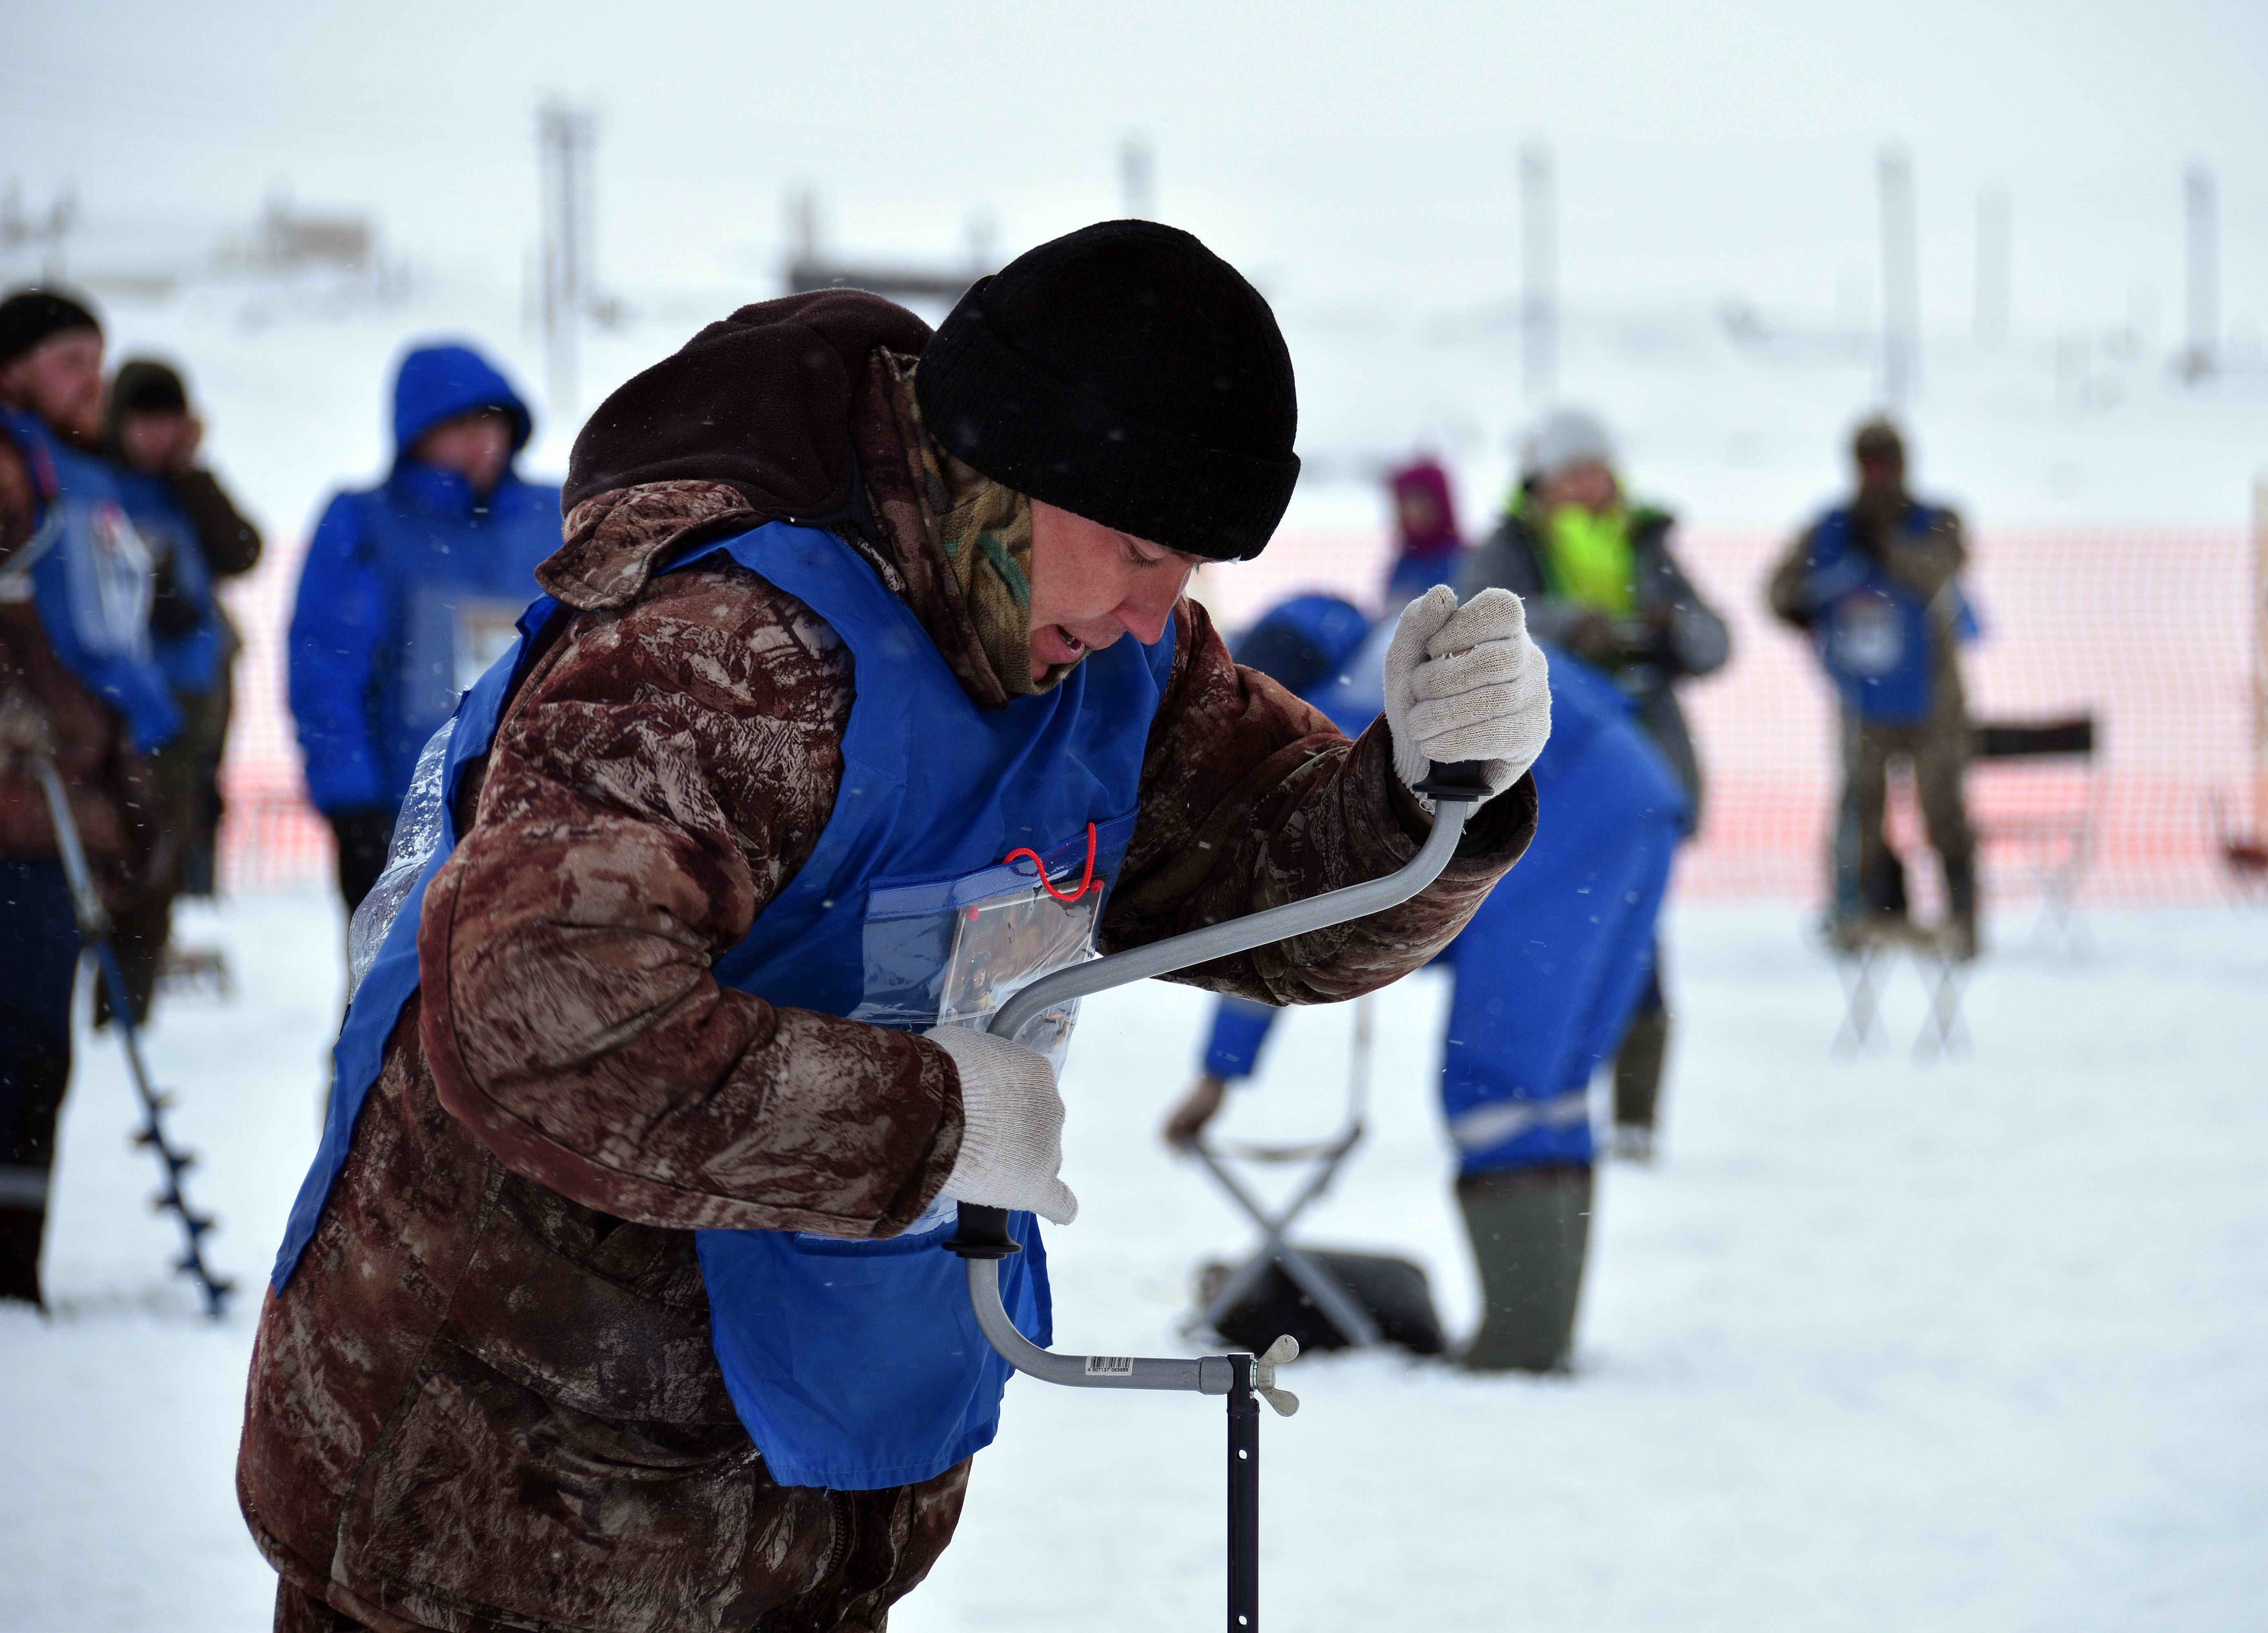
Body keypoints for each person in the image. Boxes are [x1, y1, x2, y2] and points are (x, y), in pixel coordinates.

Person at [240, 222, 1550, 1633]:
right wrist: (930, 1124)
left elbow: (1280, 892)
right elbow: (547, 1029)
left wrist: (1429, 793)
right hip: (506, 1511)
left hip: (796, 1510)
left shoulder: (1111, 668)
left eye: (1191, 568)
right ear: (1012, 469)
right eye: (1137, 547)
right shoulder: (722, 657)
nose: (1152, 611)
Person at [1165, 590, 1683, 1372]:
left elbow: (1282, 907)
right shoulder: (1402, 652)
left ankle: (1521, 1348)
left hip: (1566, 822)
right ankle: (1537, 1332)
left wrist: (1221, 1070)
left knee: (1496, 1087)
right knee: (1557, 1084)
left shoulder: (1341, 715)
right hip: (1638, 792)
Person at [1466, 406, 1726, 1161]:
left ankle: (1636, 1116)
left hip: (1645, 780)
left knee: (1638, 948)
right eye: (1575, 471)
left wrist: (1670, 629)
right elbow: (1482, 624)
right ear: (1543, 480)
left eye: (1599, 470)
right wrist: (1565, 628)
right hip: (1548, 781)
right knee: (1551, 943)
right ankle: (1549, 1097)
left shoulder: (1649, 545)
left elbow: (1716, 640)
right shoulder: (1509, 548)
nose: (1590, 486)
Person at [0, 288, 173, 1308]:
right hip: (24, 803)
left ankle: (16, 1260)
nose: (92, 385)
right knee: (20, 1043)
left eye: (98, 363)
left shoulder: (78, 478)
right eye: (70, 361)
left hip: (60, 796)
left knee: (31, 1045)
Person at [287, 341, 560, 916]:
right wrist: (349, 802)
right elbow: (326, 666)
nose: (483, 440)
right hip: (405, 819)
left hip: (538, 816)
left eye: (494, 421)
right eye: (460, 423)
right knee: (404, 997)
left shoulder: (551, 519)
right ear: (417, 432)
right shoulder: (366, 523)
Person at [1769, 417, 1980, 958]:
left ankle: (1962, 918)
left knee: (1943, 809)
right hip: (1863, 696)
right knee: (1860, 810)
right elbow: (1781, 590)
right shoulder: (1831, 528)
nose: (1879, 475)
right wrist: (1807, 603)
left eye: (1887, 463)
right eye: (1870, 463)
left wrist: (1885, 547)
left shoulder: (1938, 523)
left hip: (1934, 697)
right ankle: (1853, 913)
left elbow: (1938, 573)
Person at [106, 358, 262, 903]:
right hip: (121, 689)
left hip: (195, 685)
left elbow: (243, 550)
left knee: (185, 812)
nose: (156, 435)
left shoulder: (189, 488)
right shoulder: (98, 485)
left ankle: (183, 895)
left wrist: (190, 474)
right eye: (143, 420)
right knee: (127, 829)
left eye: (168, 420)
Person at [1383, 456, 1467, 607]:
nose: (1408, 512)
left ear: (1440, 503)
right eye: (1403, 502)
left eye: (1417, 501)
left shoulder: (1464, 562)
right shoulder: (1404, 564)